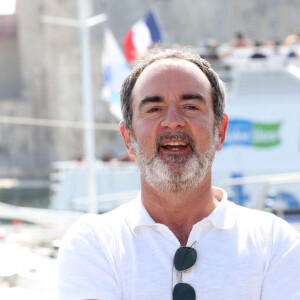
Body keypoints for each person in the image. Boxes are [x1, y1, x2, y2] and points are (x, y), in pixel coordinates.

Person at [58, 46, 300, 300]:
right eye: (154, 109)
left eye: (191, 107)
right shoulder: (94, 243)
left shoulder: (274, 242)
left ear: (221, 131)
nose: (173, 121)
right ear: (128, 138)